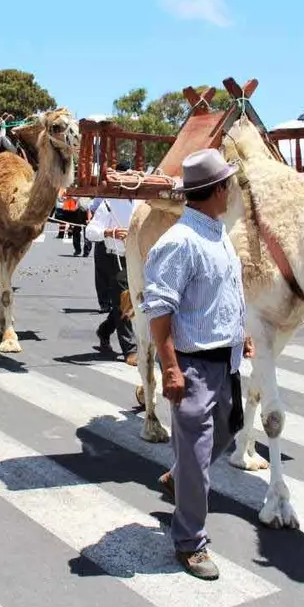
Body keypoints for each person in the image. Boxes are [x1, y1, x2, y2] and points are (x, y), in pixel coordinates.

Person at [140, 148, 246, 581]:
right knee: (199, 456)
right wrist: (170, 368)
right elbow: (159, 312)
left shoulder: (218, 232)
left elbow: (224, 291)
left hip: (226, 358)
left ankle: (180, 475)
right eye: (229, 184)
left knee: (230, 428)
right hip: (194, 364)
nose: (232, 190)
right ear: (217, 189)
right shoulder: (179, 242)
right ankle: (190, 543)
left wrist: (243, 332)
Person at [85, 196, 137, 364]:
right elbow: (90, 231)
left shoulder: (144, 202)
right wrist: (109, 232)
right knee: (124, 300)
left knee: (134, 301)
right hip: (115, 258)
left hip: (136, 257)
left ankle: (105, 330)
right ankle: (130, 349)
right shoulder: (109, 202)